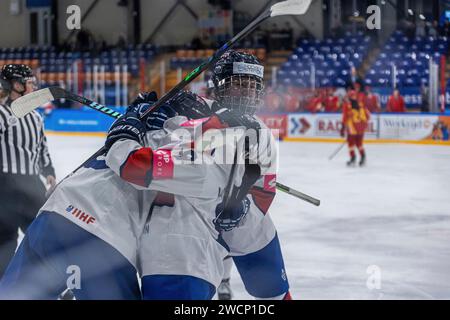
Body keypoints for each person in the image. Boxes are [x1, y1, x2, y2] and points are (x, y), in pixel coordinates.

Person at [137, 50, 291, 300]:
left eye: (252, 86)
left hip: (249, 231)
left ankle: (226, 279)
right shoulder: (192, 108)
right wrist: (149, 111)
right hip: (195, 227)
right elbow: (161, 147)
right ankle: (224, 281)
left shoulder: (261, 133)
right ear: (220, 86)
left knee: (275, 295)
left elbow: (264, 192)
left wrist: (242, 208)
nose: (246, 92)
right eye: (239, 84)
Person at [0, 64, 56, 278]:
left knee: (43, 237)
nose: (34, 86)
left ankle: (52, 281)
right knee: (5, 240)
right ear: (16, 84)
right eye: (30, 82)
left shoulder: (35, 118)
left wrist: (49, 171)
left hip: (32, 186)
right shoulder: (1, 113)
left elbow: (42, 149)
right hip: (5, 187)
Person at [340, 89, 370, 167]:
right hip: (361, 128)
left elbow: (344, 117)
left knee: (351, 144)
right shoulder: (361, 104)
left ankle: (353, 158)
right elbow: (368, 116)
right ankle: (363, 157)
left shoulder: (347, 105)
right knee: (359, 144)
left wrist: (342, 128)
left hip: (352, 128)